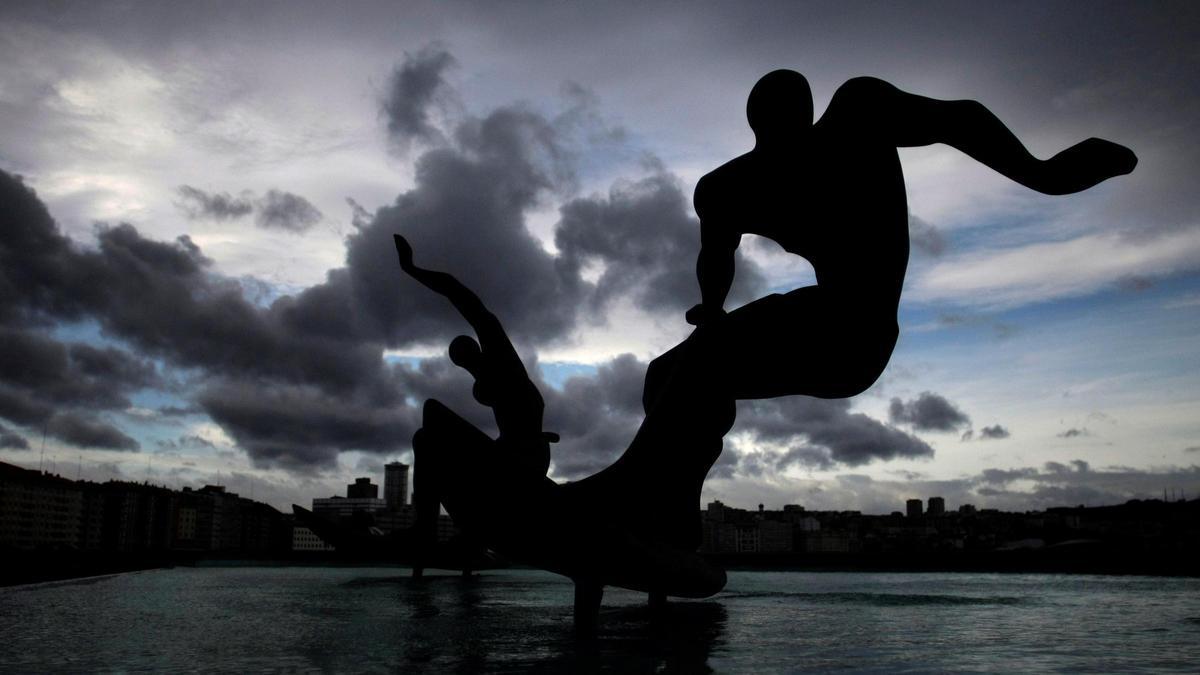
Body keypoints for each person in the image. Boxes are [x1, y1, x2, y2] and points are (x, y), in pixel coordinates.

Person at [661, 70, 1136, 403]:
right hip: (837, 324)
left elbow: (960, 119)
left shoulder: (857, 116)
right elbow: (716, 254)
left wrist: (1044, 174)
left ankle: (661, 512)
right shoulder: (734, 186)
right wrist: (713, 312)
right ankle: (663, 507)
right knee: (668, 377)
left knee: (679, 377)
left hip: (856, 336)